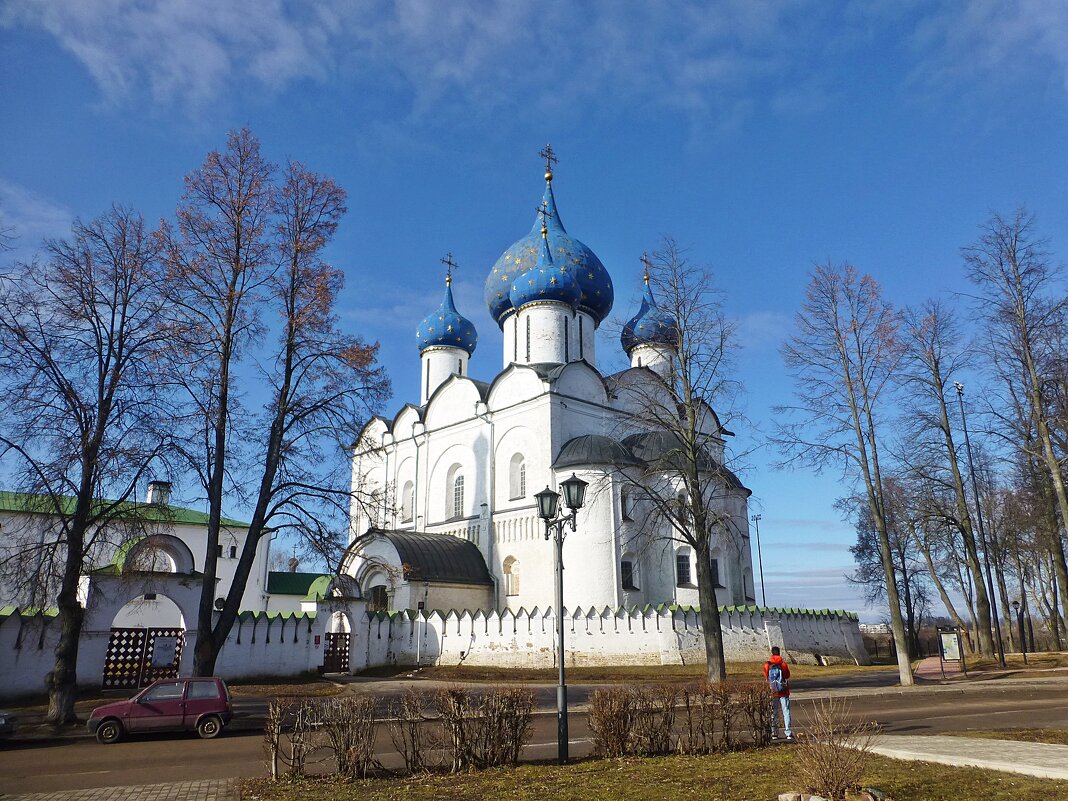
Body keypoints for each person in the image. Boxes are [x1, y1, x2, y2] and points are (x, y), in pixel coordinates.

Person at [764, 646, 792, 740]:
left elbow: (766, 676)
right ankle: (788, 732)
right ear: (779, 653)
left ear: (772, 653)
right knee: (786, 711)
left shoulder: (767, 664)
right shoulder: (783, 664)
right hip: (784, 691)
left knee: (774, 712)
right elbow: (787, 675)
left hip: (773, 691)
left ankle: (774, 733)